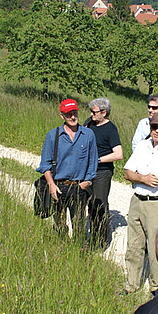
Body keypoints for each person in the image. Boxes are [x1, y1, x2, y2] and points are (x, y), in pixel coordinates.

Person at [124, 111, 158, 292]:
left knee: (156, 247)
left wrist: (137, 176)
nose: (156, 131)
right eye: (153, 127)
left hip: (156, 203)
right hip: (137, 200)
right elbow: (127, 173)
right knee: (133, 244)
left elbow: (155, 180)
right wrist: (142, 177)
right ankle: (131, 284)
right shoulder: (142, 145)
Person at [37, 99, 98, 237]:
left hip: (78, 188)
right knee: (59, 226)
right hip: (58, 187)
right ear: (62, 116)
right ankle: (61, 250)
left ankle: (79, 252)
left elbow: (93, 163)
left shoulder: (88, 135)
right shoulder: (53, 135)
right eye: (68, 114)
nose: (72, 117)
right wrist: (51, 185)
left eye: (74, 113)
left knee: (79, 227)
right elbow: (45, 164)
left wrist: (86, 183)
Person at [83, 98, 123, 248]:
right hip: (86, 171)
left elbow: (118, 154)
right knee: (90, 204)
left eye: (94, 112)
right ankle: (93, 235)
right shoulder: (89, 123)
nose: (91, 114)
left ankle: (102, 241)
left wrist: (97, 160)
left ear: (104, 113)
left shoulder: (110, 129)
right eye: (91, 112)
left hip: (102, 172)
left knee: (100, 204)